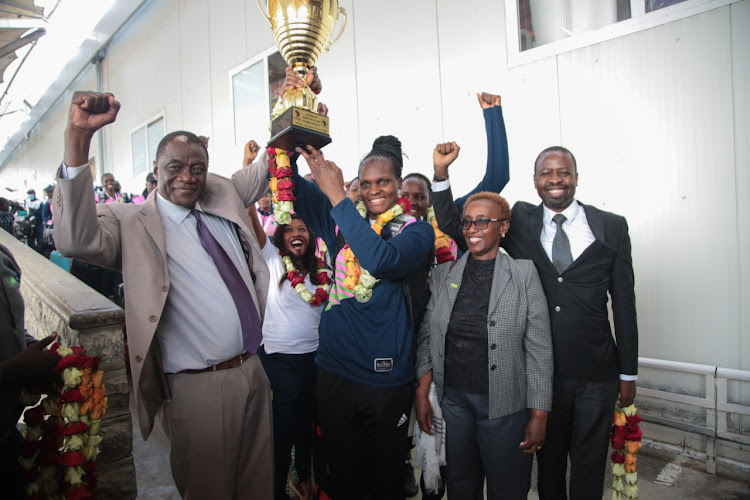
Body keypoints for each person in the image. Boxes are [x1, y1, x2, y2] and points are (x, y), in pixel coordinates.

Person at [53, 91, 274, 498]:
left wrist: (293, 100)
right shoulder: (128, 221)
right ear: (156, 169)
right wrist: (78, 139)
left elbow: (267, 163)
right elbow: (74, 238)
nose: (187, 177)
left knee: (258, 489)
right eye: (174, 167)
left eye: (197, 168)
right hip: (198, 388)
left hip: (254, 373)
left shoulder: (220, 193)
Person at [431, 146, 638, 500]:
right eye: (546, 173)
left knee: (589, 466)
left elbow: (625, 304)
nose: (555, 180)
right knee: (549, 467)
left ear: (575, 176)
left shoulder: (612, 226)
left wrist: (628, 373)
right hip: (543, 375)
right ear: (535, 181)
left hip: (596, 372)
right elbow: (458, 225)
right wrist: (440, 176)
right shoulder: (520, 221)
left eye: (563, 172)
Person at [289, 137, 433, 499]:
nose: (373, 191)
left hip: (385, 380)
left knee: (384, 482)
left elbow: (381, 260)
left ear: (398, 183)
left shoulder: (415, 230)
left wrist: (339, 197)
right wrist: (296, 136)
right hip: (335, 373)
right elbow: (293, 186)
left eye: (382, 182)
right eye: (365, 184)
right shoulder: (340, 221)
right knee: (344, 479)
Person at [415, 192, 552, 498]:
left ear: (503, 227)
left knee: (508, 489)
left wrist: (540, 414)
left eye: (482, 221)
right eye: (467, 222)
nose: (472, 229)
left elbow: (539, 348)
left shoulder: (524, 274)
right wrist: (422, 392)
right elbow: (427, 335)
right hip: (455, 403)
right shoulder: (443, 275)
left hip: (505, 406)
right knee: (461, 486)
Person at [249, 211, 328, 500]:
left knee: (307, 429)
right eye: (290, 229)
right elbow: (250, 215)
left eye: (303, 229)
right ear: (280, 236)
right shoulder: (271, 259)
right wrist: (251, 166)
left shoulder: (321, 272)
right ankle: (275, 491)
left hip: (314, 361)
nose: (297, 233)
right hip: (279, 362)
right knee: (281, 435)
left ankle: (302, 479)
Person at [0, 243, 61, 499]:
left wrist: (36, 352)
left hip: (7, 432)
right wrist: (11, 371)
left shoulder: (3, 256)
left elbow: (13, 323)